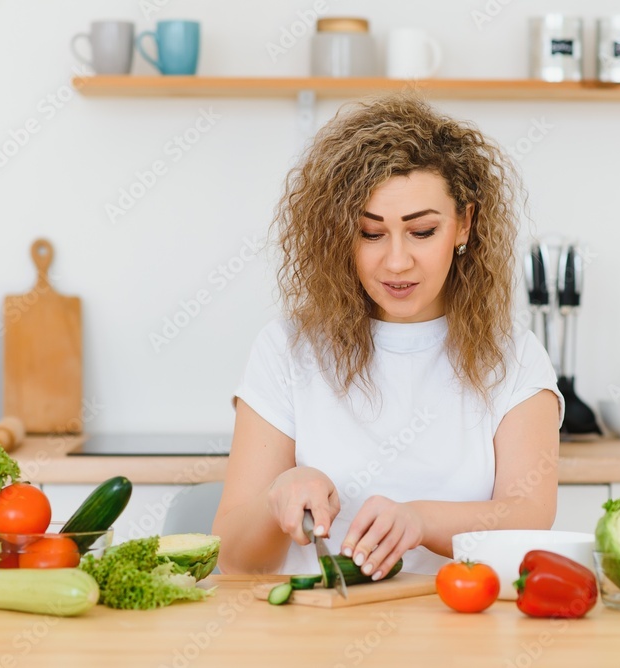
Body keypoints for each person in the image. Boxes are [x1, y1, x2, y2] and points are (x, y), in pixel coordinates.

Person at [214, 94, 563, 579]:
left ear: (464, 223)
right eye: (370, 233)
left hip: (461, 628)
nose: (397, 262)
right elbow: (232, 558)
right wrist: (282, 494)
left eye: (422, 231)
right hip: (314, 635)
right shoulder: (287, 348)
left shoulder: (515, 356)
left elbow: (529, 517)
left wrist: (421, 520)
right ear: (338, 234)